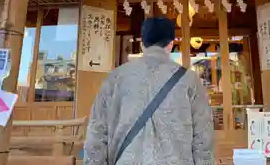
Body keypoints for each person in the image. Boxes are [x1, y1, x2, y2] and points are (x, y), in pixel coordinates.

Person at [83, 17, 215, 165]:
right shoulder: (190, 80)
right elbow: (203, 137)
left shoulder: (115, 78)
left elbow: (96, 134)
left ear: (142, 44)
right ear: (171, 44)